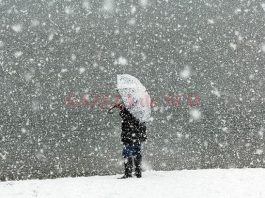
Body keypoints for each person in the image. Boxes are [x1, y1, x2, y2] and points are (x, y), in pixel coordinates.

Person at [108, 103, 147, 178]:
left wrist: (122, 109)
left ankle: (128, 173)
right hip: (137, 137)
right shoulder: (139, 110)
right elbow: (141, 124)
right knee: (137, 153)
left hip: (129, 137)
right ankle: (138, 172)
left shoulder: (129, 112)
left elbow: (125, 117)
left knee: (127, 154)